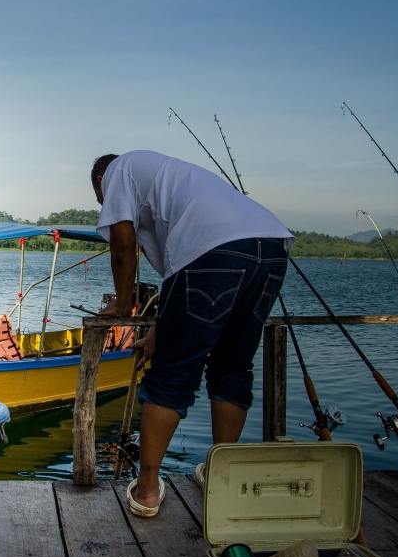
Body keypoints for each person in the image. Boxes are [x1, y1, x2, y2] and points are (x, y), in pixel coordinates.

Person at [92, 150, 292, 518]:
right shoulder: (171, 182)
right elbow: (180, 276)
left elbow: (122, 245)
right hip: (272, 246)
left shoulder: (116, 170)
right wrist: (156, 333)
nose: (108, 208)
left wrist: (122, 306)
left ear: (101, 183)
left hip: (214, 250)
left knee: (173, 372)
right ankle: (222, 476)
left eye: (103, 202)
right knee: (232, 367)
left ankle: (148, 490)